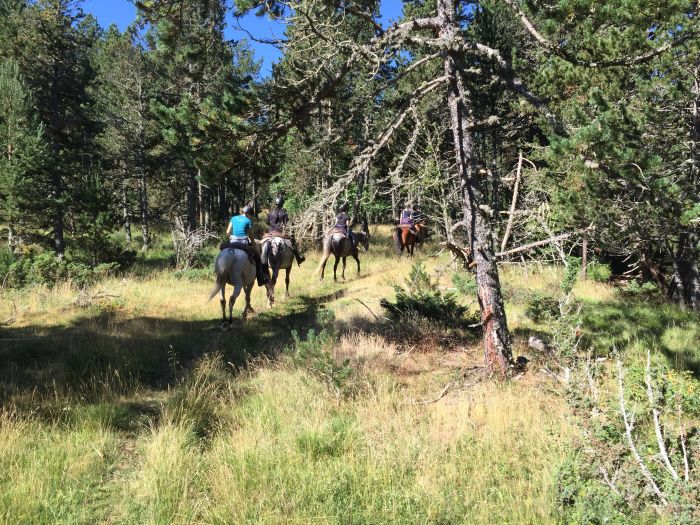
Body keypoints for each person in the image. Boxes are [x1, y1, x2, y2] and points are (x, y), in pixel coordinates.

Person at [225, 204, 270, 286]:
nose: (250, 217)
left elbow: (227, 233)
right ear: (248, 214)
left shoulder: (233, 218)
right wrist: (253, 244)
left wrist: (232, 237)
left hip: (233, 242)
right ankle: (260, 280)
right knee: (258, 259)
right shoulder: (248, 221)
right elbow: (251, 236)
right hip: (243, 243)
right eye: (250, 215)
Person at [267, 194, 305, 266]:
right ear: (282, 204)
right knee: (292, 241)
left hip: (270, 233)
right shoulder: (283, 213)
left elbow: (267, 222)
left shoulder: (270, 212)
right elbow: (286, 224)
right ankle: (298, 258)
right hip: (279, 233)